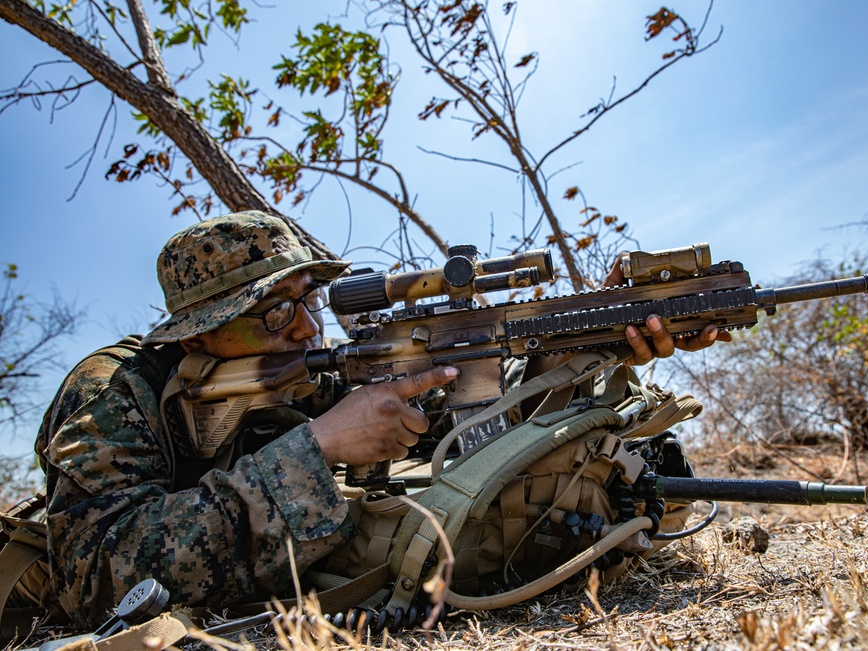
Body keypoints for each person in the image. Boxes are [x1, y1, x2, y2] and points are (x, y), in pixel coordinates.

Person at [35, 211, 727, 627]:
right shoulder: (111, 392)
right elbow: (95, 575)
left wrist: (595, 338)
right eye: (276, 313)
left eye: (308, 298)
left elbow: (471, 417)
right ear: (196, 335)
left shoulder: (306, 362)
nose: (307, 327)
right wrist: (321, 443)